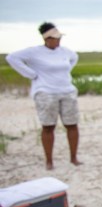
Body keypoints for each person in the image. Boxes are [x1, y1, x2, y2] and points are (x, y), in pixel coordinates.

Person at [6, 22, 82, 170]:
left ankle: (74, 157)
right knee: (48, 126)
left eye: (59, 38)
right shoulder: (34, 52)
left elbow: (74, 58)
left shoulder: (65, 51)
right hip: (46, 92)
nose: (58, 41)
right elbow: (12, 58)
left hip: (67, 91)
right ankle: (49, 161)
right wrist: (31, 74)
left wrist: (65, 73)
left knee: (72, 124)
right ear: (47, 38)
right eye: (55, 38)